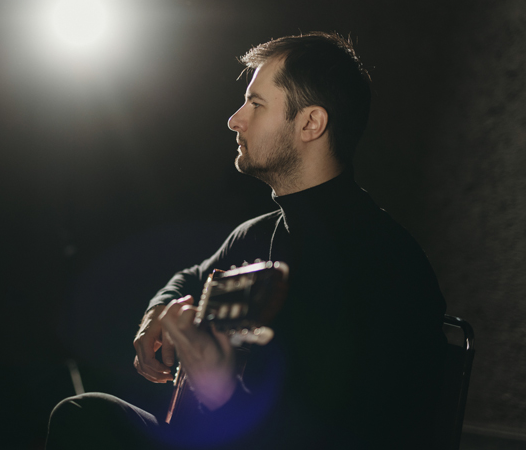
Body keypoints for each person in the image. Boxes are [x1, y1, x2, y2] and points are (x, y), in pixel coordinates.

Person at [46, 32, 446, 450]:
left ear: (311, 123)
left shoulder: (387, 264)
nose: (235, 119)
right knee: (82, 414)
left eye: (256, 104)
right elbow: (190, 278)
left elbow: (353, 433)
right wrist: (157, 313)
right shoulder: (258, 234)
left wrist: (222, 392)